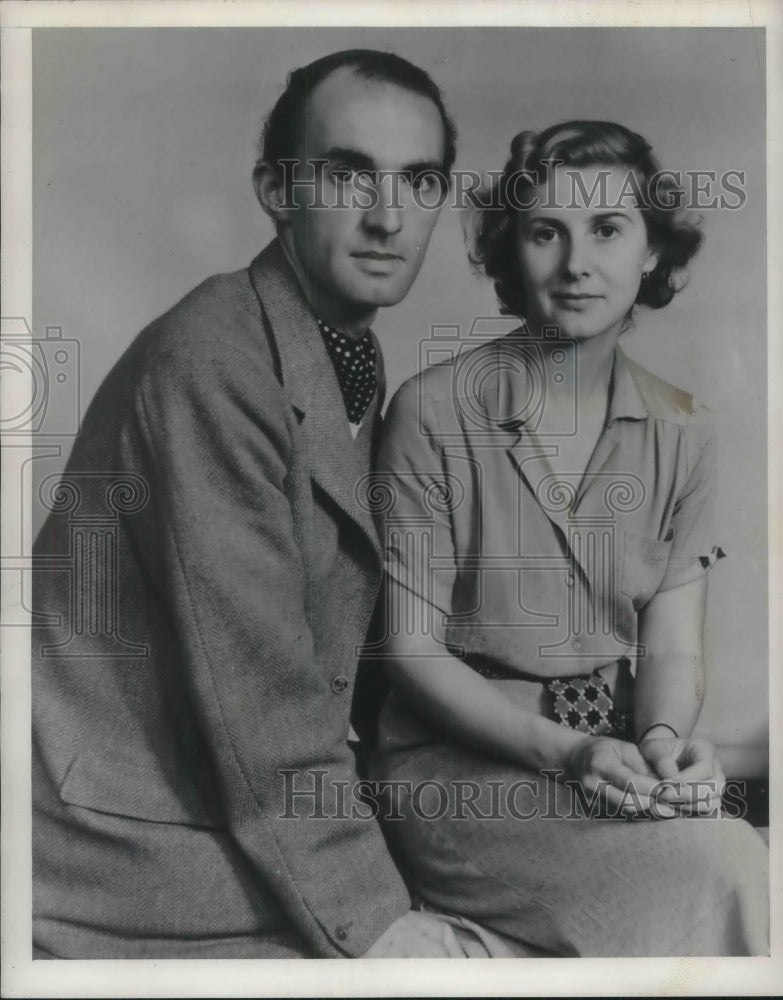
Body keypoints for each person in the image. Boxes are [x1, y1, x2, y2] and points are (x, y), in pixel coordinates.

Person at [31, 48, 474, 959]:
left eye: (419, 182)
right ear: (277, 191)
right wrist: (376, 920)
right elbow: (260, 694)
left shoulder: (336, 348)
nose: (389, 218)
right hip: (120, 842)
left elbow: (364, 650)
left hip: (231, 808)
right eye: (349, 175)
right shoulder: (212, 356)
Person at [369, 120, 769, 956]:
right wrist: (570, 753)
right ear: (513, 251)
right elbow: (410, 653)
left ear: (653, 253)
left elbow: (668, 649)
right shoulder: (432, 411)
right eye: (545, 231)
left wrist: (659, 741)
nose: (576, 262)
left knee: (732, 850)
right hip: (455, 773)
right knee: (728, 863)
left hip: (608, 754)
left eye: (608, 230)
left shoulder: (683, 430)